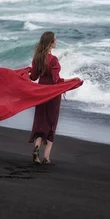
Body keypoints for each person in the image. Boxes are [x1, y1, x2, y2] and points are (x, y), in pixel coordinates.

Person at [28, 31, 78, 165]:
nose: (56, 42)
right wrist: (72, 80)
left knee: (40, 122)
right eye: (55, 40)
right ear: (50, 43)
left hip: (40, 93)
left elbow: (33, 77)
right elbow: (56, 80)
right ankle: (46, 157)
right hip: (52, 95)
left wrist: (25, 73)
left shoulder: (37, 58)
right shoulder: (53, 60)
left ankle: (36, 148)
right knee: (51, 124)